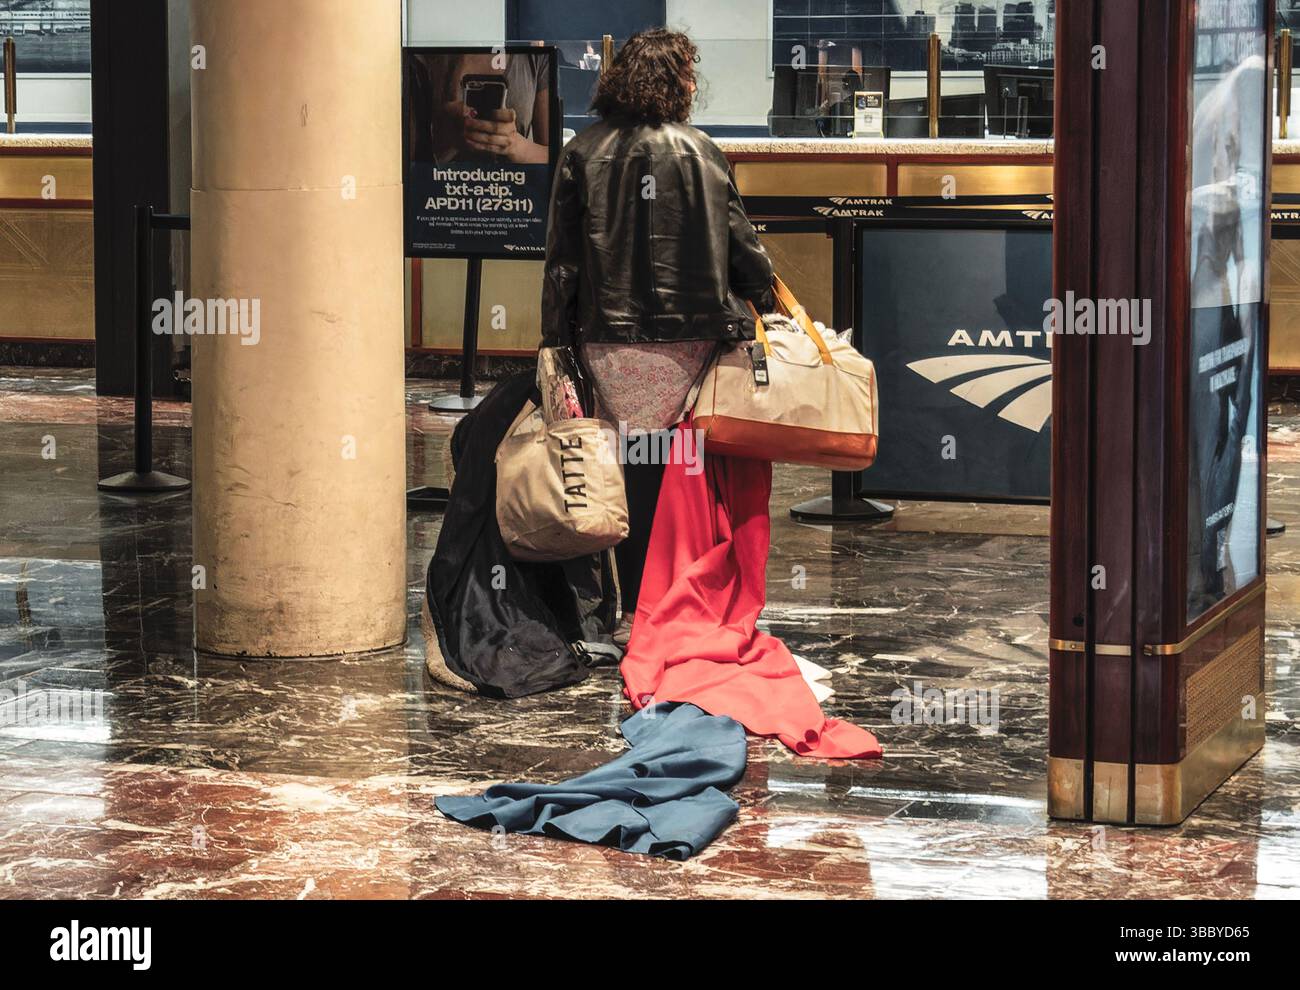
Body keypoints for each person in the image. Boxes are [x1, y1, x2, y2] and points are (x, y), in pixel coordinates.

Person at [540, 29, 775, 646]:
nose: (695, 87)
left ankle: (624, 603)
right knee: (682, 470)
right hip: (690, 343)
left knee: (620, 467)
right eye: (690, 76)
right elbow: (741, 247)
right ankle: (677, 597)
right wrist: (768, 299)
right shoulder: (701, 151)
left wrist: (554, 341)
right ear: (674, 82)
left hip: (609, 339)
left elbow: (563, 262)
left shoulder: (582, 150)